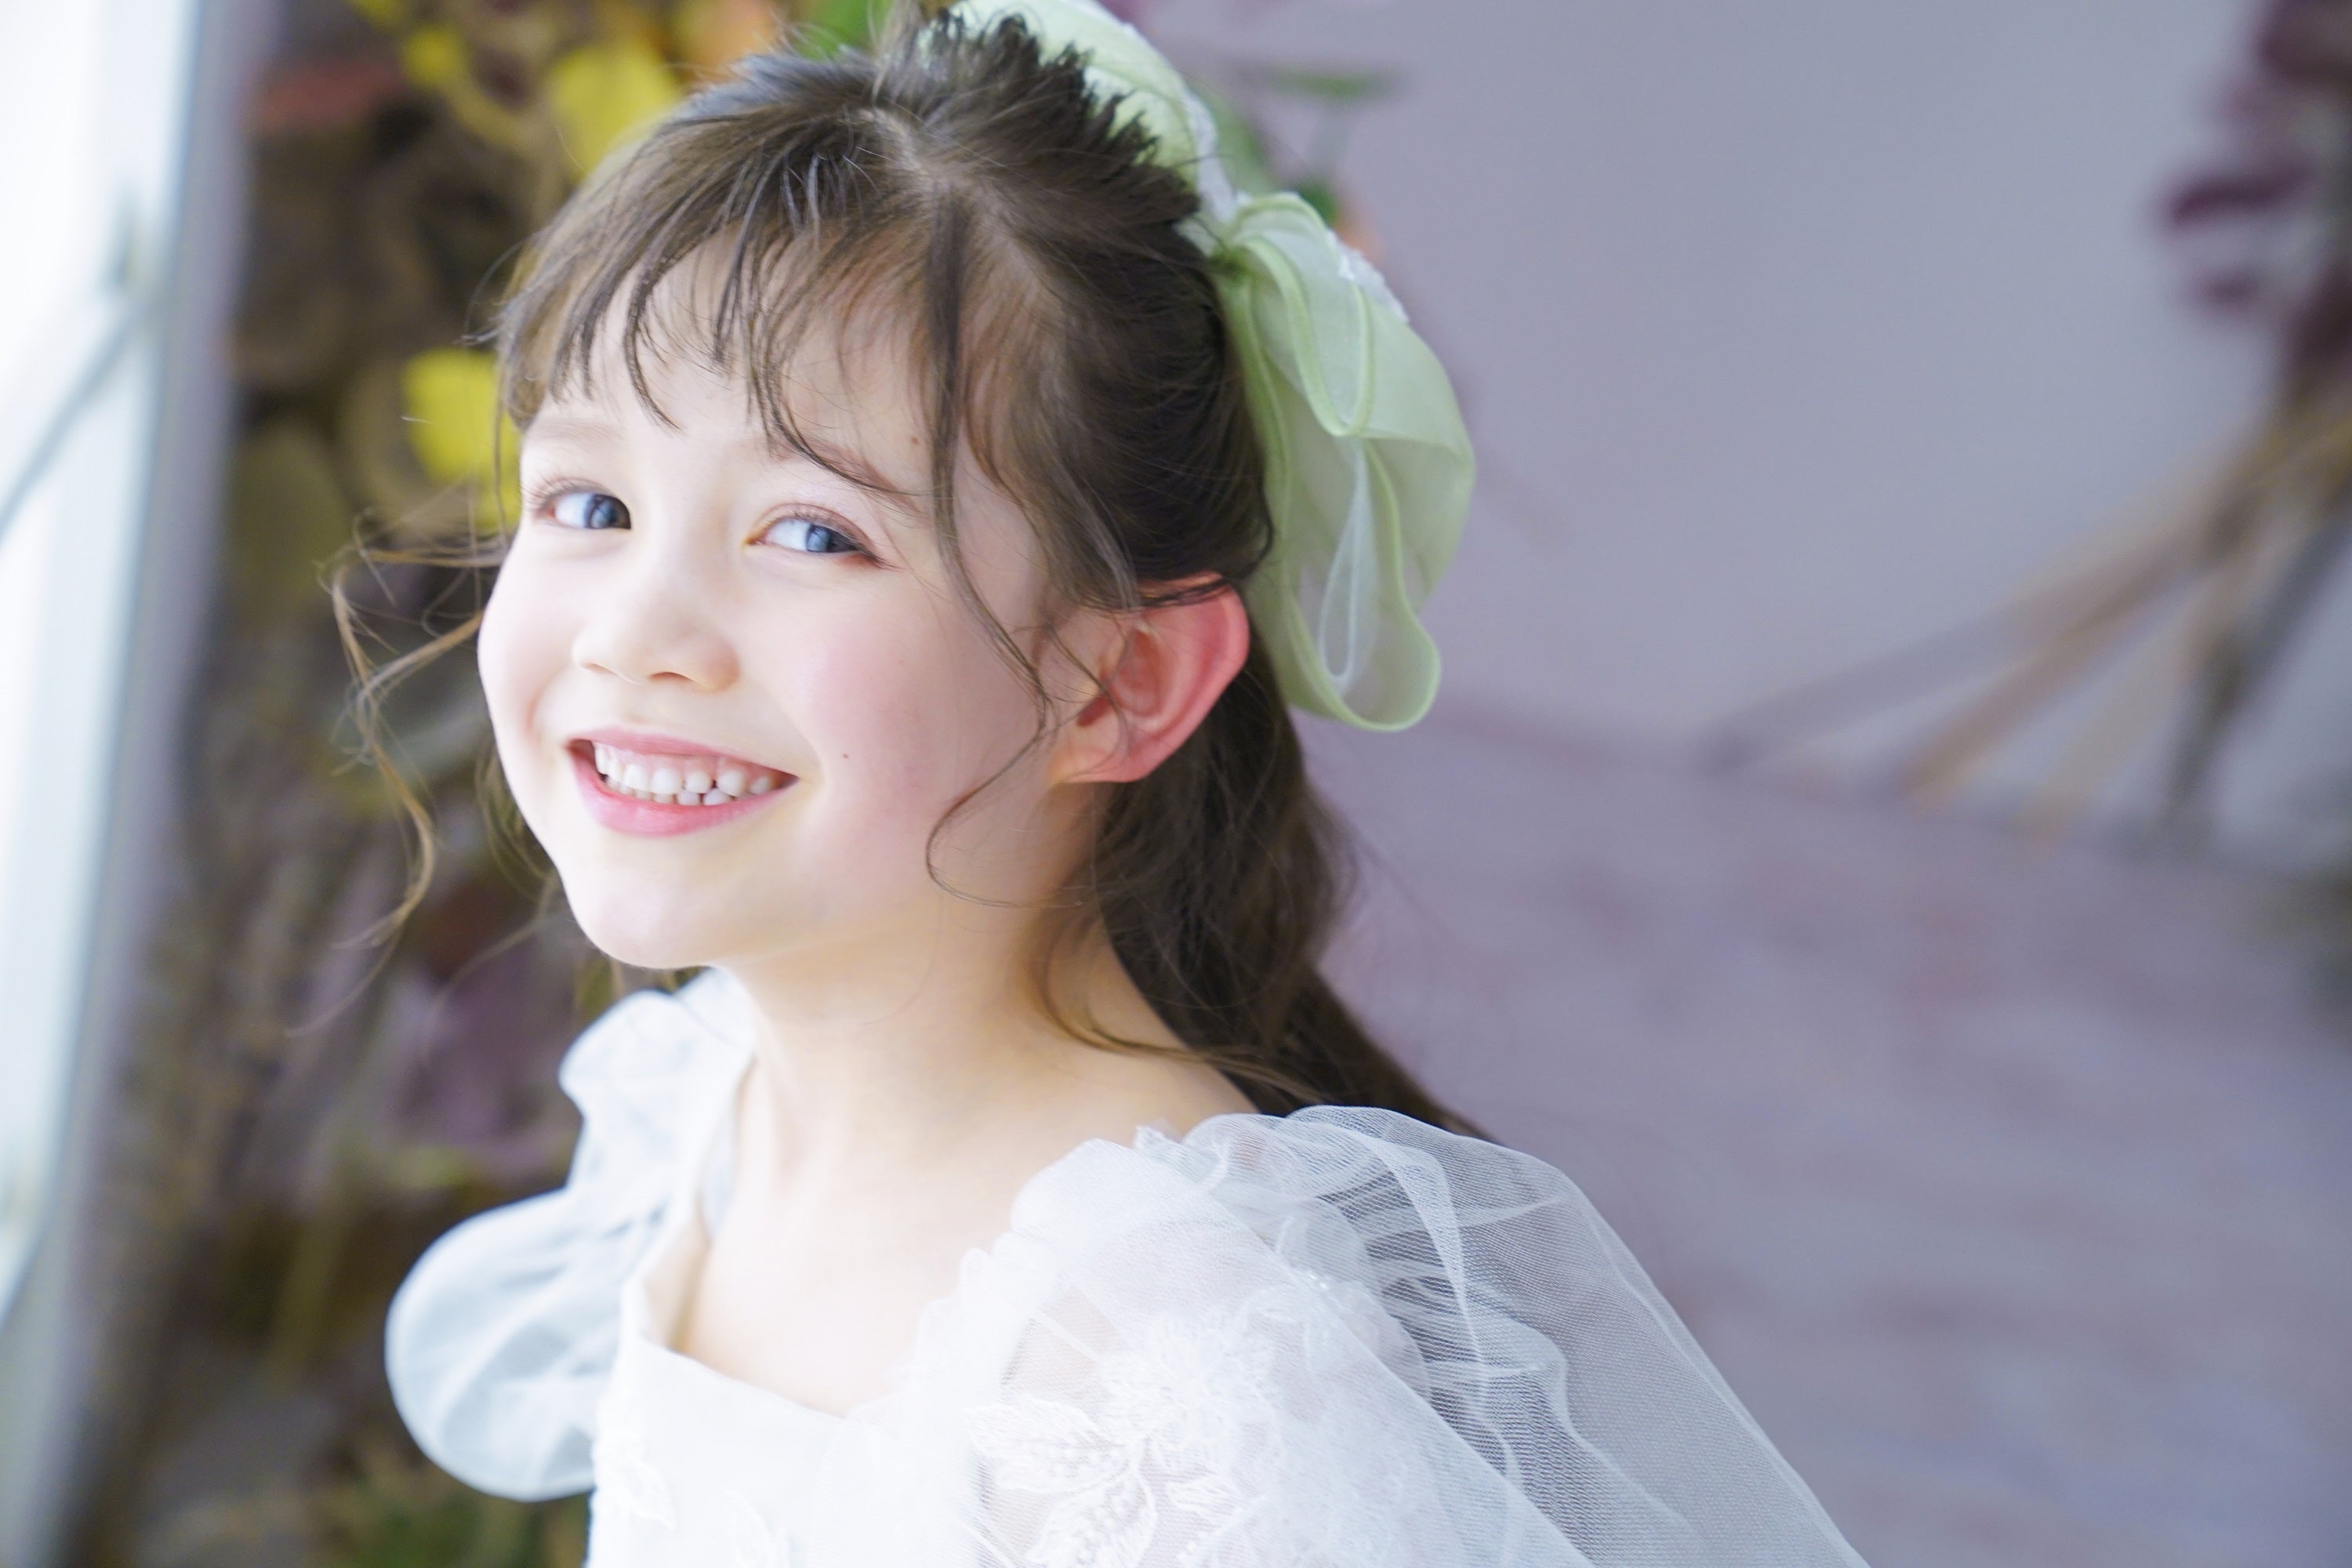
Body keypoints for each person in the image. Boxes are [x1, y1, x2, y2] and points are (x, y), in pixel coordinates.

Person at [383, 2, 1871, 1563]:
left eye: (813, 533)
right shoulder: (715, 1096)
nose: (635, 636)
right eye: (591, 502)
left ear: (1117, 683)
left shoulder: (1176, 1370)